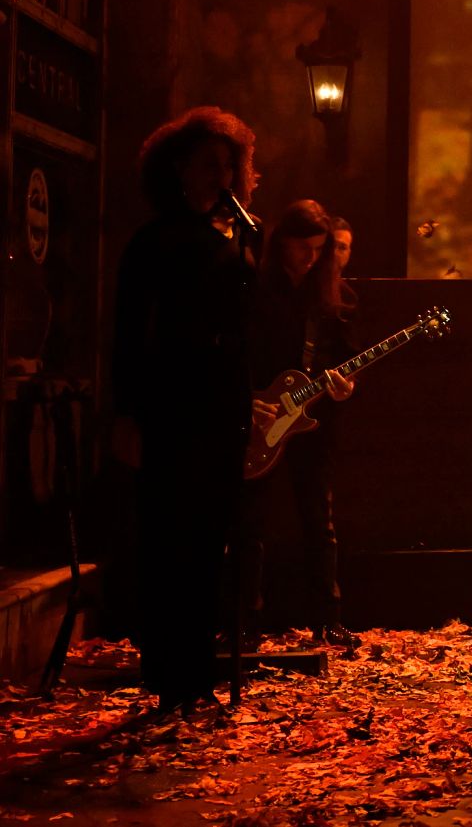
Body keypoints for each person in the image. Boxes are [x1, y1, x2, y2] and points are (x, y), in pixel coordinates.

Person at [111, 108, 263, 714]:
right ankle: (170, 672)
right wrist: (126, 412)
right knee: (168, 537)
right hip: (171, 401)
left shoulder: (229, 239)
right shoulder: (154, 241)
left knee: (209, 539)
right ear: (179, 169)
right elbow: (128, 332)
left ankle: (195, 673)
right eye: (209, 166)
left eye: (229, 166)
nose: (220, 177)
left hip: (221, 401)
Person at [242, 199, 358, 647]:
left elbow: (346, 361)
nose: (310, 258)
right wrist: (249, 399)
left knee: (319, 520)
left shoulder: (337, 296)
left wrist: (345, 386)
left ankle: (328, 619)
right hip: (259, 415)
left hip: (313, 425)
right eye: (301, 248)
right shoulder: (253, 288)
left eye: (318, 249)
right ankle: (246, 621)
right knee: (250, 523)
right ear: (281, 244)